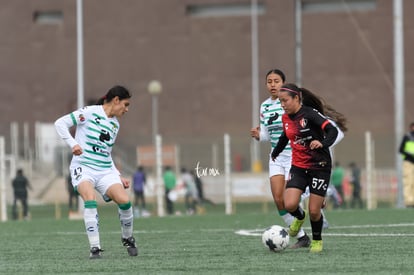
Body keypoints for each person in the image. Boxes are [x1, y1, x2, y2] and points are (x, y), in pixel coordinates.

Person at [54, 85, 137, 259]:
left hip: (105, 170)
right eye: (126, 104)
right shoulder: (90, 112)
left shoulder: (115, 125)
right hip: (83, 167)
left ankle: (128, 238)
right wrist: (73, 144)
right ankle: (95, 248)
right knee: (90, 199)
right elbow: (60, 123)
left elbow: (106, 153)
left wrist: (118, 175)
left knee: (125, 201)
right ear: (116, 100)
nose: (127, 109)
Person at [271, 83, 346, 253]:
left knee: (314, 211)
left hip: (319, 166)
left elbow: (332, 132)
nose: (283, 105)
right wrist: (276, 151)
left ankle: (317, 241)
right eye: (280, 102)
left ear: (296, 98)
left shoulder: (310, 114)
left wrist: (322, 143)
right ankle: (299, 216)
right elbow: (285, 135)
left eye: (285, 101)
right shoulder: (286, 117)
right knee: (289, 204)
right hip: (298, 166)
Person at [250, 69, 311, 249]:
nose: (273, 84)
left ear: (283, 83)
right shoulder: (264, 106)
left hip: (294, 155)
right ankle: (302, 237)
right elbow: (268, 135)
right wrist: (258, 135)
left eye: (276, 81)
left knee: (288, 199)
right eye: (269, 81)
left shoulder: (290, 102)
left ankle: (308, 199)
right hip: (276, 156)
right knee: (278, 200)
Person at [399, 122, 414, 207]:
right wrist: (410, 154)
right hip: (408, 161)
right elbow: (401, 149)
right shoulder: (407, 137)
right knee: (408, 181)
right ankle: (409, 202)